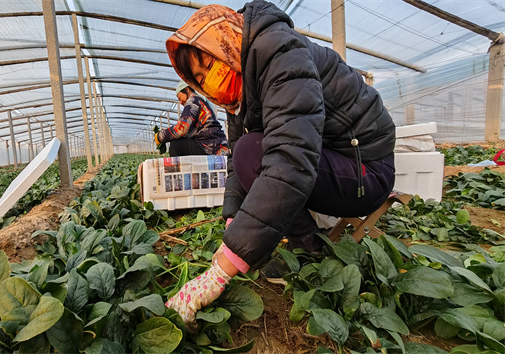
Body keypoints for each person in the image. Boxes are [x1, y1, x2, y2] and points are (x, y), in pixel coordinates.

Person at [164, 0, 396, 330]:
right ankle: (302, 241)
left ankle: (308, 248)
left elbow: (290, 158)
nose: (209, 83)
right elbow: (236, 164)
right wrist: (233, 219)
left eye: (209, 66)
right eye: (200, 78)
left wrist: (221, 270)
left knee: (257, 154)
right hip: (332, 160)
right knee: (247, 152)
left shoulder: (280, 53)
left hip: (365, 172)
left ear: (226, 40)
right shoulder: (242, 84)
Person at [154, 80, 228, 156]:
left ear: (187, 89)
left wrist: (160, 136)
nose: (180, 102)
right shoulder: (198, 100)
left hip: (210, 147)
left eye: (179, 98)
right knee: (180, 141)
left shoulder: (193, 101)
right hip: (214, 145)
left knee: (176, 145)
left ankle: (176, 168)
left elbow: (181, 129)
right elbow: (186, 131)